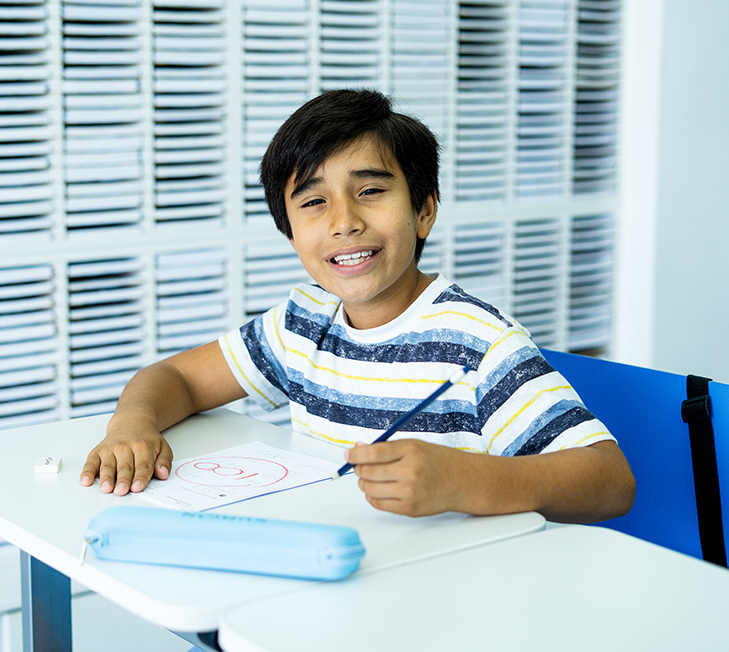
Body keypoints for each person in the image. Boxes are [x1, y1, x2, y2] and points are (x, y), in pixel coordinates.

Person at [80, 89, 635, 522]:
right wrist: (133, 424)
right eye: (314, 202)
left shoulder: (475, 341)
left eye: (370, 190)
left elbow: (609, 482)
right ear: (292, 235)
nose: (344, 221)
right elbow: (176, 375)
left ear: (423, 211)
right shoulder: (303, 322)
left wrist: (466, 480)